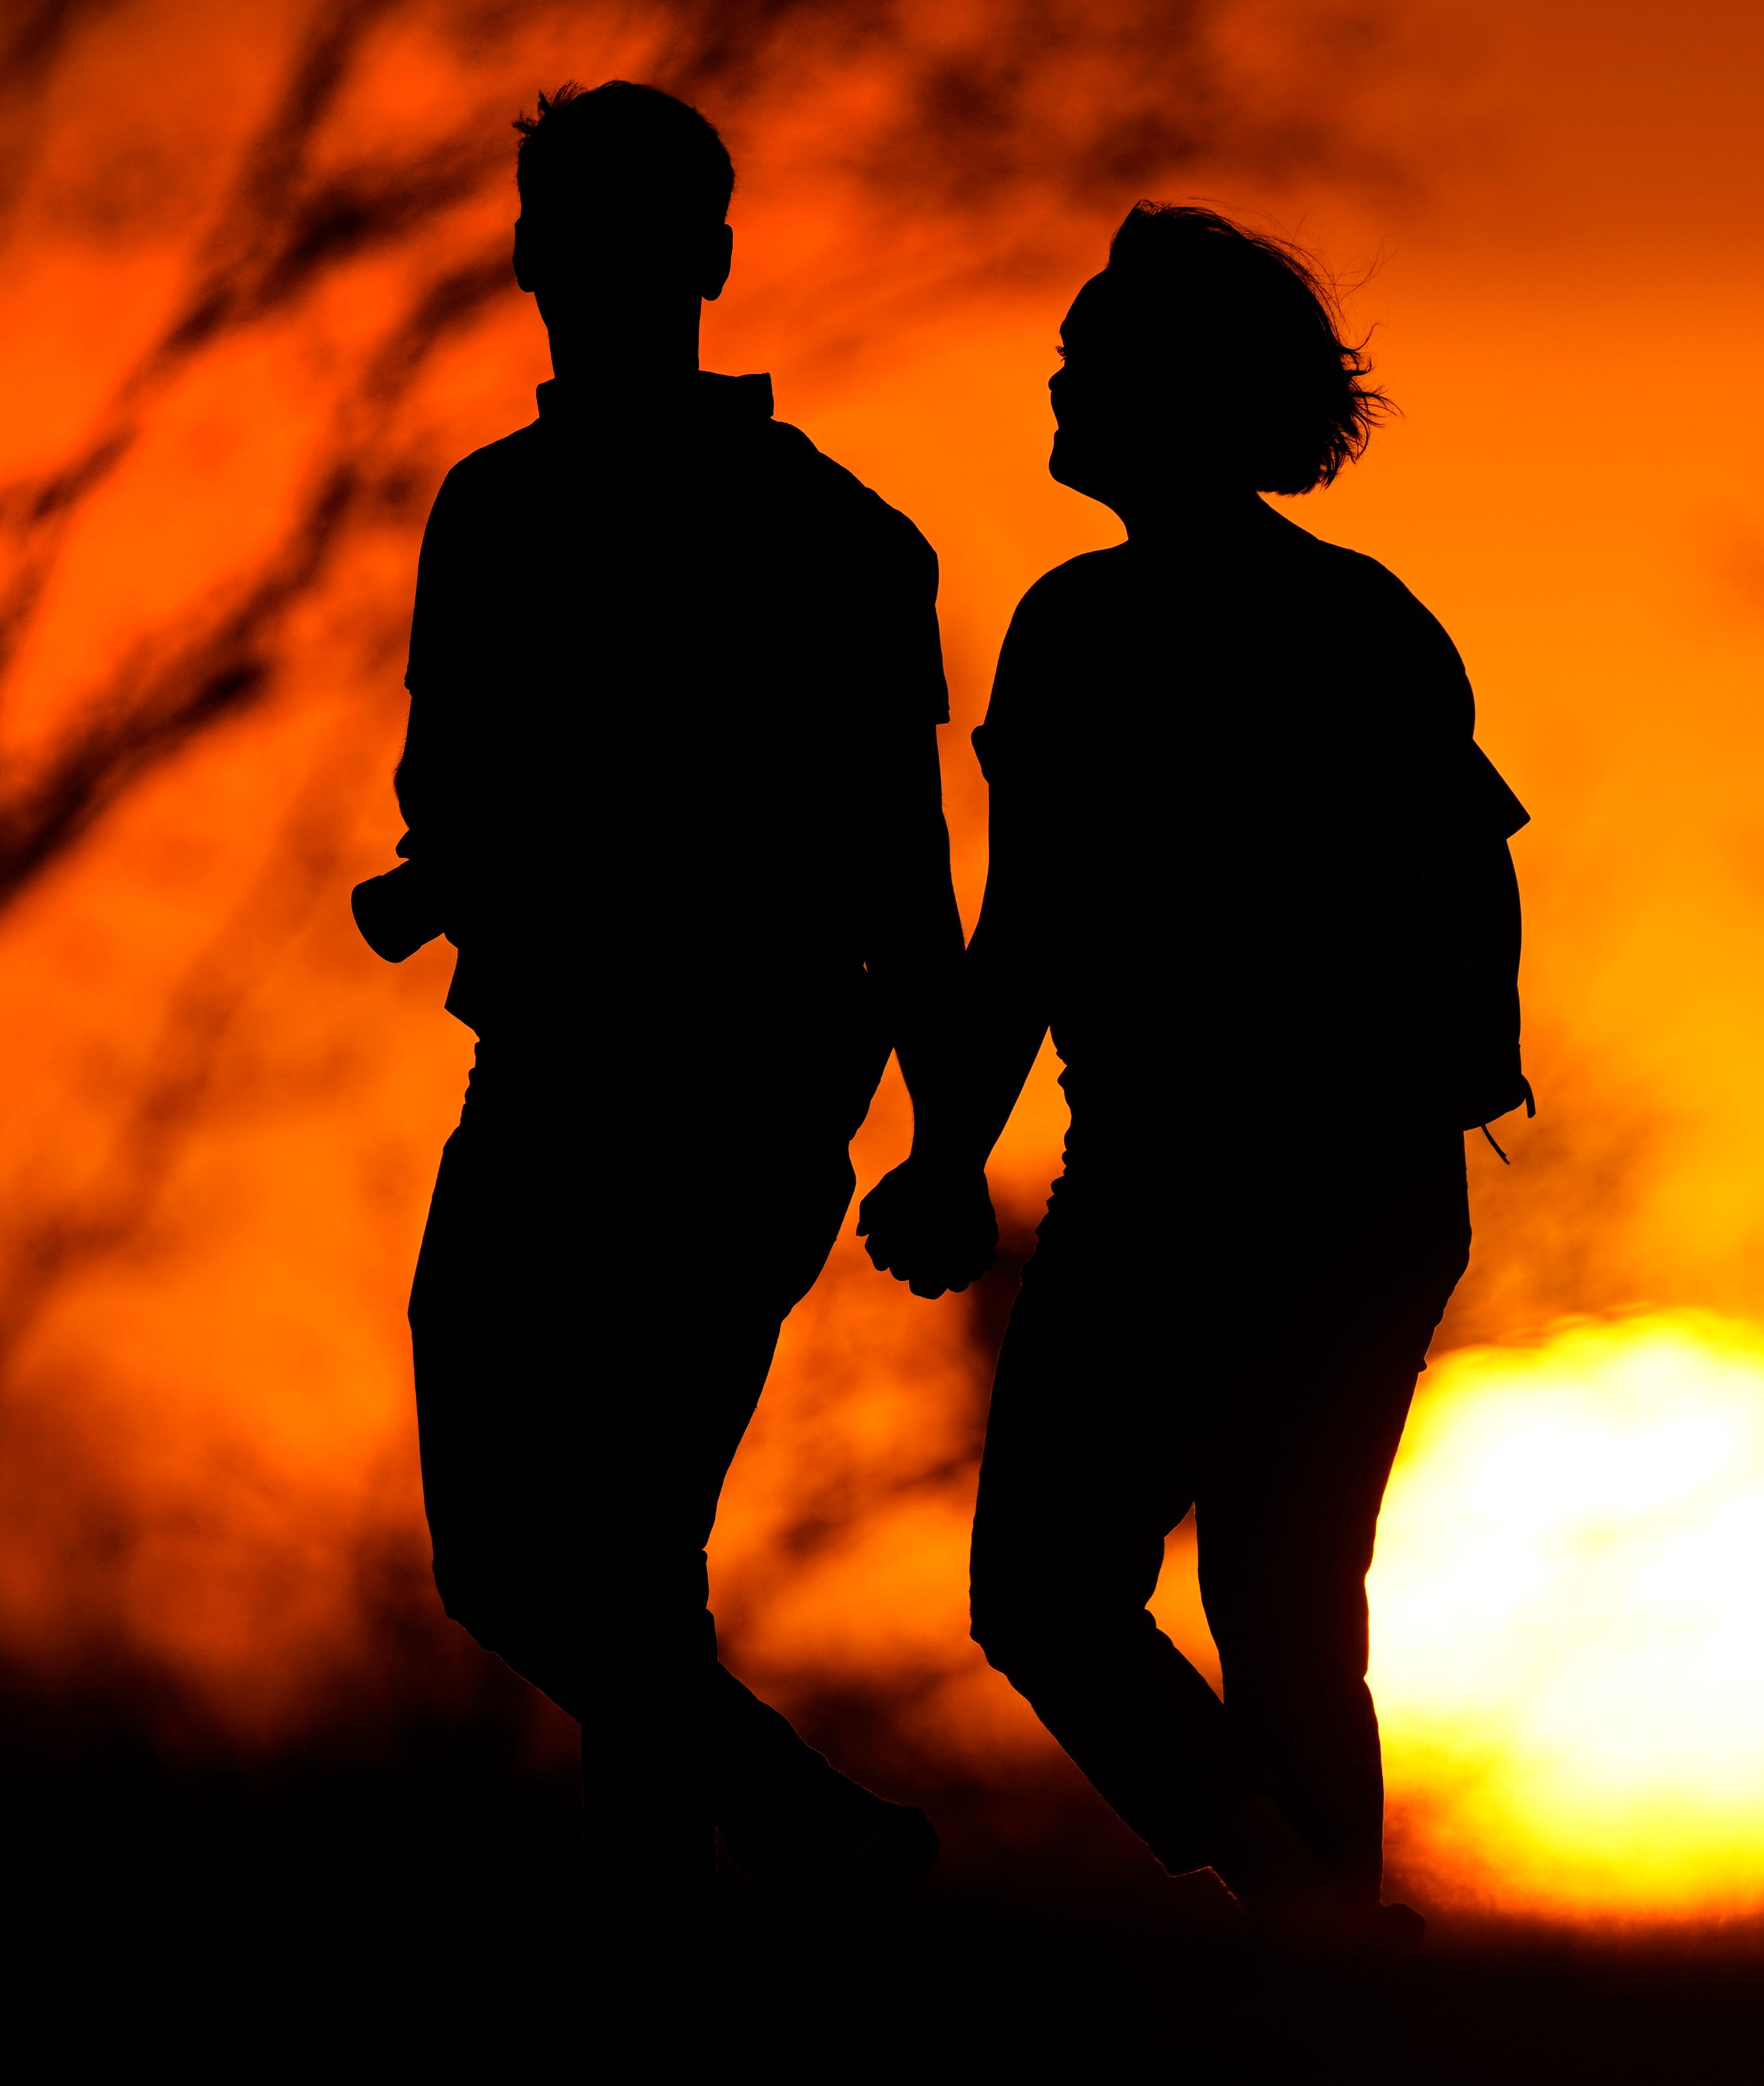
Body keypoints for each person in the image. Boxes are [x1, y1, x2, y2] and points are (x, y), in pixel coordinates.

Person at [861, 202, 1531, 1943]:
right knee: (1291, 1600)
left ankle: (1298, 1901)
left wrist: (945, 1150)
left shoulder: (1089, 623)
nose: (1062, 377)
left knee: (1049, 1588)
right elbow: (1477, 883)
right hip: (1376, 1185)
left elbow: (1030, 927)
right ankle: (1330, 1954)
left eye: (1092, 356)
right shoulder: (1376, 619)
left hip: (1182, 1174)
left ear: (1174, 393)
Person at [352, 81, 963, 1888]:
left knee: (593, 1559)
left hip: (737, 1086)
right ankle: (791, 1852)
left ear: (703, 255)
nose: (596, 264)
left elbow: (902, 864)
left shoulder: (838, 537)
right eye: (576, 228)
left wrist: (941, 1134)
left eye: (635, 228)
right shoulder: (503, 513)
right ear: (536, 253)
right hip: (567, 1069)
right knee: (571, 1563)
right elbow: (447, 792)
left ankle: (774, 1861)